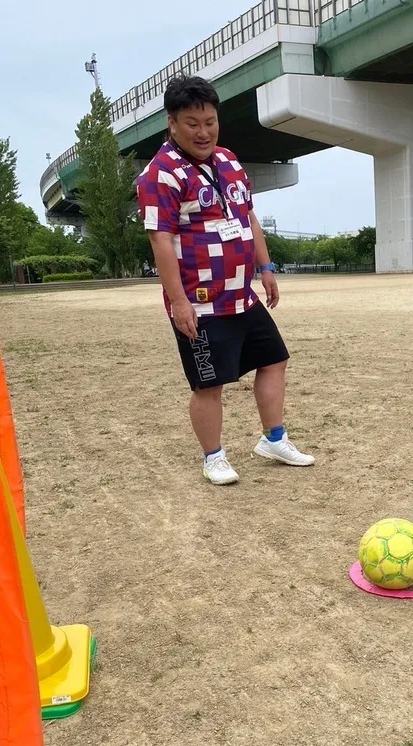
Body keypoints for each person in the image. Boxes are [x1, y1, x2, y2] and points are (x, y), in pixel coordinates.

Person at [136, 75, 314, 485]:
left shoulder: (229, 161)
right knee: (209, 383)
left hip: (241, 293)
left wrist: (265, 269)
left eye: (210, 121)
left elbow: (247, 217)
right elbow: (160, 239)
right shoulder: (160, 173)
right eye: (193, 123)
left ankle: (274, 438)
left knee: (274, 360)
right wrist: (178, 301)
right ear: (172, 124)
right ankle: (213, 456)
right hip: (198, 301)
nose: (204, 132)